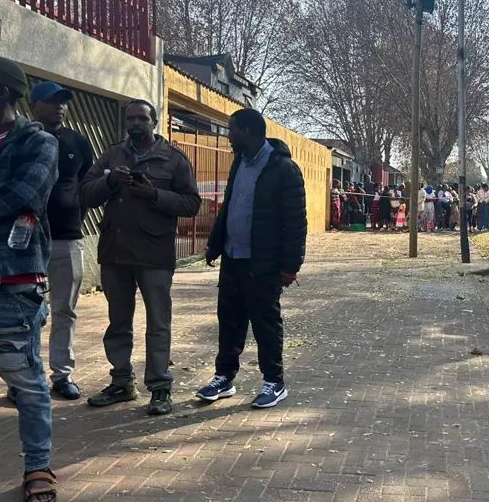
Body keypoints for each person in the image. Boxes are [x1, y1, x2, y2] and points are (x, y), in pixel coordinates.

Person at [80, 99, 201, 416]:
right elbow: (85, 192)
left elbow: (191, 204)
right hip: (114, 251)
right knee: (118, 322)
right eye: (130, 118)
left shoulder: (173, 159)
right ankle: (122, 382)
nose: (135, 124)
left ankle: (160, 388)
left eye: (141, 118)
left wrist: (154, 194)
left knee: (158, 324)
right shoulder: (112, 155)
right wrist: (109, 181)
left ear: (154, 122)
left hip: (154, 254)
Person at [0, 56, 59, 502]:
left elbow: (23, 195)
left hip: (13, 281)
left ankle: (38, 468)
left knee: (25, 380)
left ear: (3, 93)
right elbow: (0, 200)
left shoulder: (37, 143)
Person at [197, 109, 307, 409]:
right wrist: (215, 244)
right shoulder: (239, 163)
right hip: (233, 258)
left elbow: (296, 221)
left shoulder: (284, 169)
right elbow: (231, 205)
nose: (228, 136)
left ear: (247, 131)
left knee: (265, 323)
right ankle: (224, 377)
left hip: (264, 263)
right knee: (229, 320)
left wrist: (290, 266)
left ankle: (274, 381)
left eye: (231, 130)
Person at [30, 81, 93, 401]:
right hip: (26, 241)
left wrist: (75, 218)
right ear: (33, 105)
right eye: (52, 101)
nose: (60, 107)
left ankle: (62, 375)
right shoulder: (22, 140)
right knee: (27, 312)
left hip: (67, 239)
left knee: (64, 310)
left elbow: (88, 186)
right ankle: (24, 378)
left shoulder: (77, 142)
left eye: (63, 102)